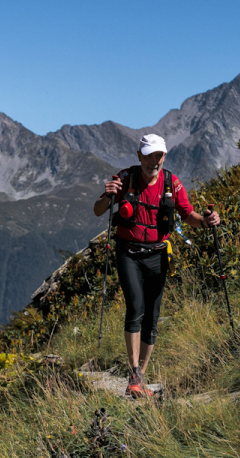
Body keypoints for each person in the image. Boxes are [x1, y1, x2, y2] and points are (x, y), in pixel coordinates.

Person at [93, 133, 220, 397]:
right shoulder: (125, 178)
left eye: (159, 155)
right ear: (139, 156)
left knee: (152, 316)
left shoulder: (171, 182)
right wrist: (107, 197)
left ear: (164, 156)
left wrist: (207, 222)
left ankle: (139, 377)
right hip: (128, 253)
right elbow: (98, 210)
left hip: (158, 254)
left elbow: (189, 215)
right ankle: (134, 372)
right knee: (135, 306)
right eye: (149, 155)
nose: (155, 160)